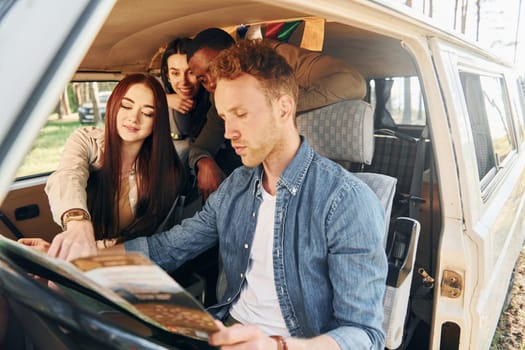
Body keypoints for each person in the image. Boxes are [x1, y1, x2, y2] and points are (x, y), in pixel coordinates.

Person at [92, 39, 387, 349]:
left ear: (284, 108)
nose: (229, 131)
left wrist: (276, 347)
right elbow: (169, 247)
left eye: (241, 114)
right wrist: (78, 260)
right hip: (224, 329)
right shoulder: (236, 186)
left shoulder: (346, 201)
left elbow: (365, 334)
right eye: (223, 118)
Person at [186, 27, 366, 200]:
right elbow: (203, 145)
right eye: (202, 79)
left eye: (213, 68)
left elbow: (353, 82)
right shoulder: (220, 98)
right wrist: (204, 162)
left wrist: (273, 104)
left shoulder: (272, 60)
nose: (211, 83)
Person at [44, 73, 186, 261]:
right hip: (81, 259)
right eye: (126, 106)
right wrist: (78, 223)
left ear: (157, 121)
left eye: (147, 113)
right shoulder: (87, 140)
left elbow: (152, 242)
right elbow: (68, 175)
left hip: (129, 263)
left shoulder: (167, 172)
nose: (133, 118)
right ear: (113, 105)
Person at [160, 38, 210, 165]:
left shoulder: (214, 98)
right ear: (167, 75)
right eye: (175, 73)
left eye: (191, 72)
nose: (183, 82)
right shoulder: (157, 94)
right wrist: (163, 99)